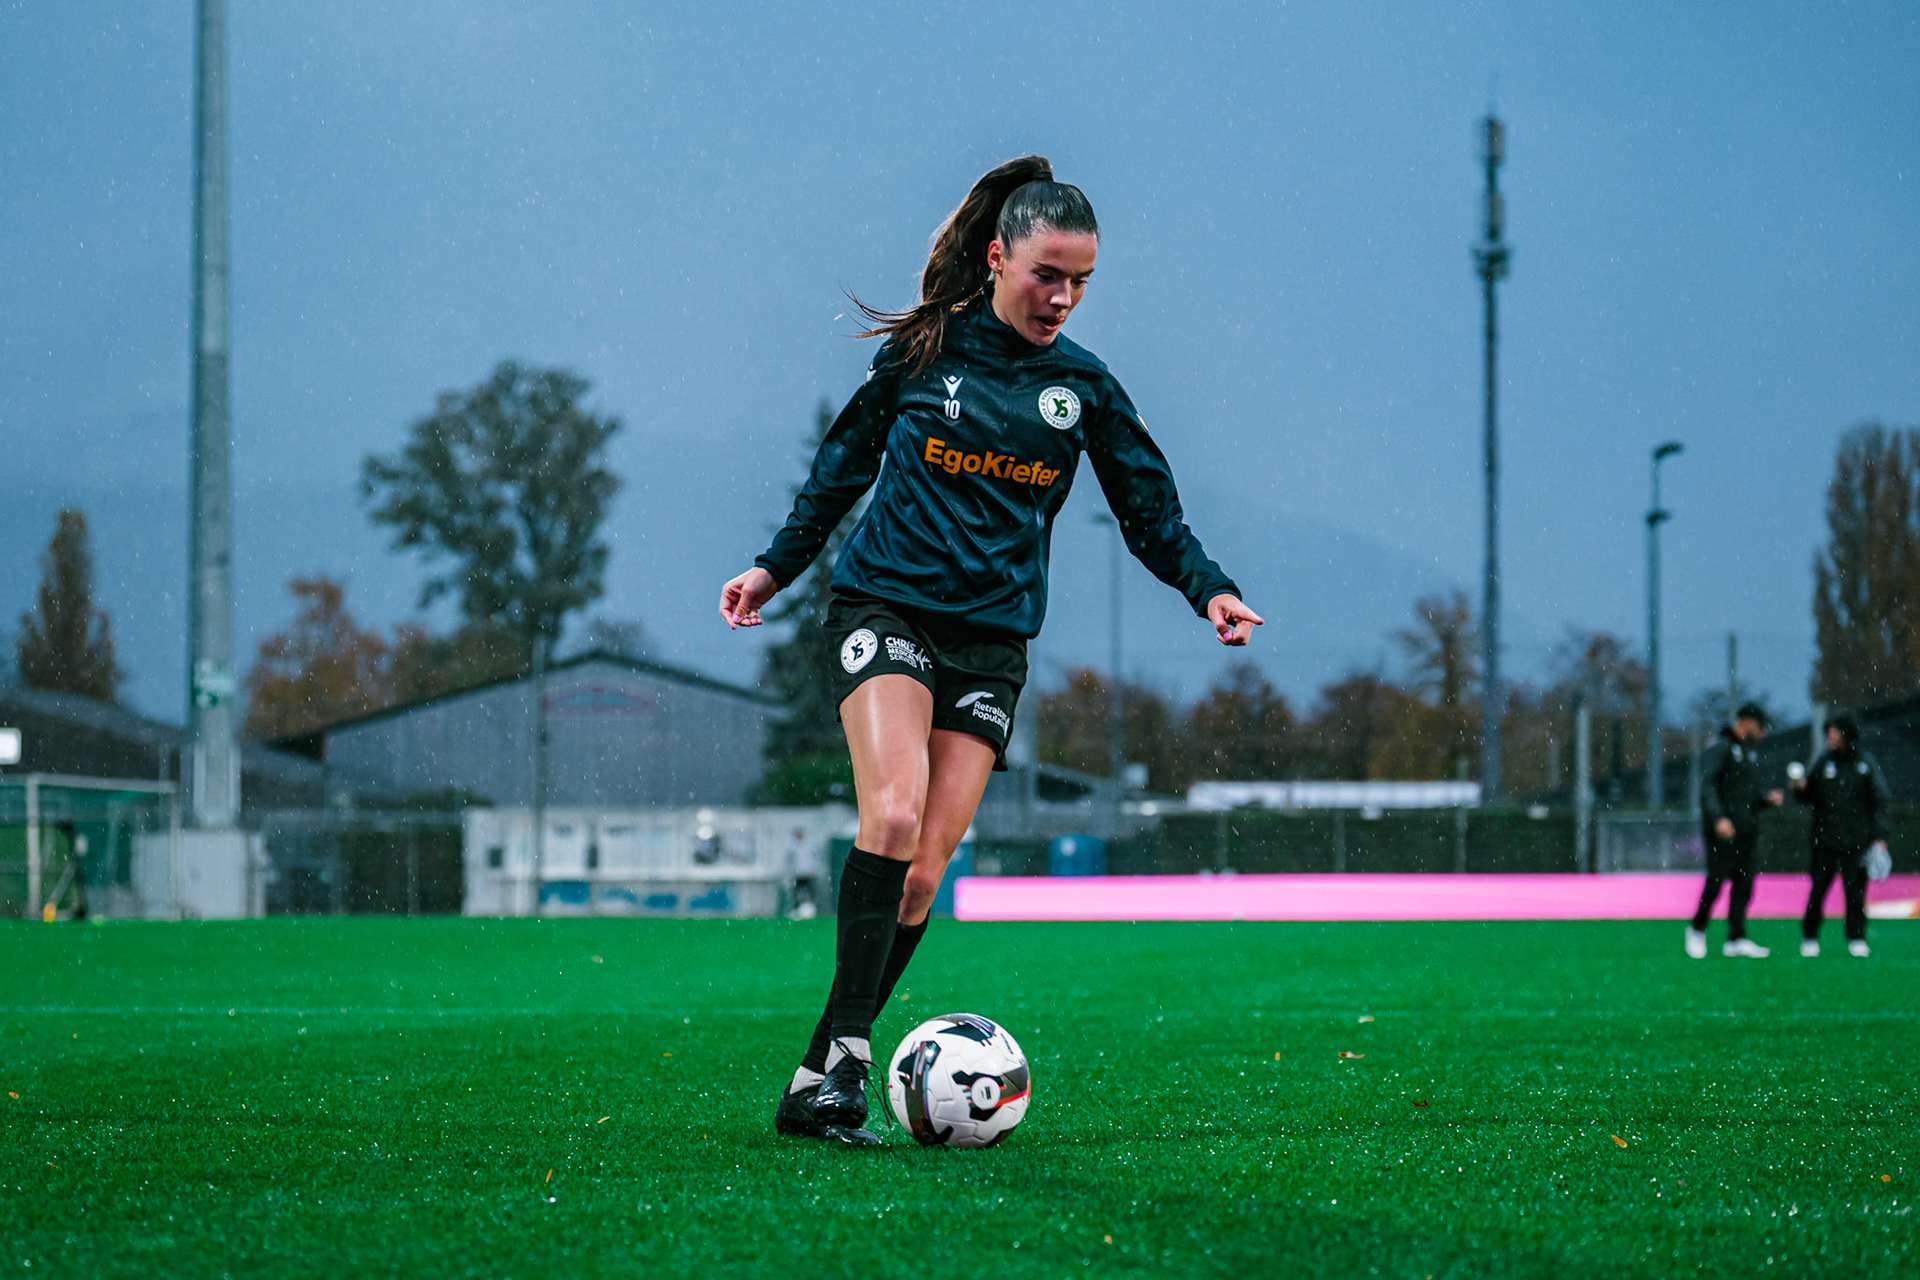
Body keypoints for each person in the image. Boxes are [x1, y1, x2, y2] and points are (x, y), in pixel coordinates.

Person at [718, 156, 1262, 1145]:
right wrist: (772, 568)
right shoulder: (930, 352)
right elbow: (840, 467)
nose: (1062, 296)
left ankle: (815, 1073)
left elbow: (1151, 513)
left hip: (991, 642)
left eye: (1081, 281)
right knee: (890, 810)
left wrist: (1209, 588)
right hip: (886, 606)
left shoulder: (1084, 387)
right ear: (1000, 256)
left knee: (928, 869)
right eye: (1047, 273)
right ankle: (846, 1058)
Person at [1686, 703, 1784, 959]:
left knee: (1744, 884)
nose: (1761, 733)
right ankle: (1696, 929)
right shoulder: (1721, 748)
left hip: (1746, 829)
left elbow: (1747, 795)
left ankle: (1736, 938)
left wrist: (1765, 800)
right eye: (1759, 727)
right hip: (1723, 830)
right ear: (1746, 722)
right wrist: (1719, 818)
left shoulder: (1749, 754)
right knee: (1716, 881)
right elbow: (1708, 786)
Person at [1791, 713, 1891, 958]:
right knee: (1818, 891)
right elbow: (1807, 795)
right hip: (1824, 840)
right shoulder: (1824, 762)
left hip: (1857, 842)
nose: (1830, 738)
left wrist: (1879, 836)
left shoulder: (1865, 763)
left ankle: (1856, 938)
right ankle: (1810, 936)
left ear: (1847, 735)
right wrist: (1798, 787)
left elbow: (1880, 800)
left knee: (1855, 893)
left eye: (1834, 733)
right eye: (1828, 733)